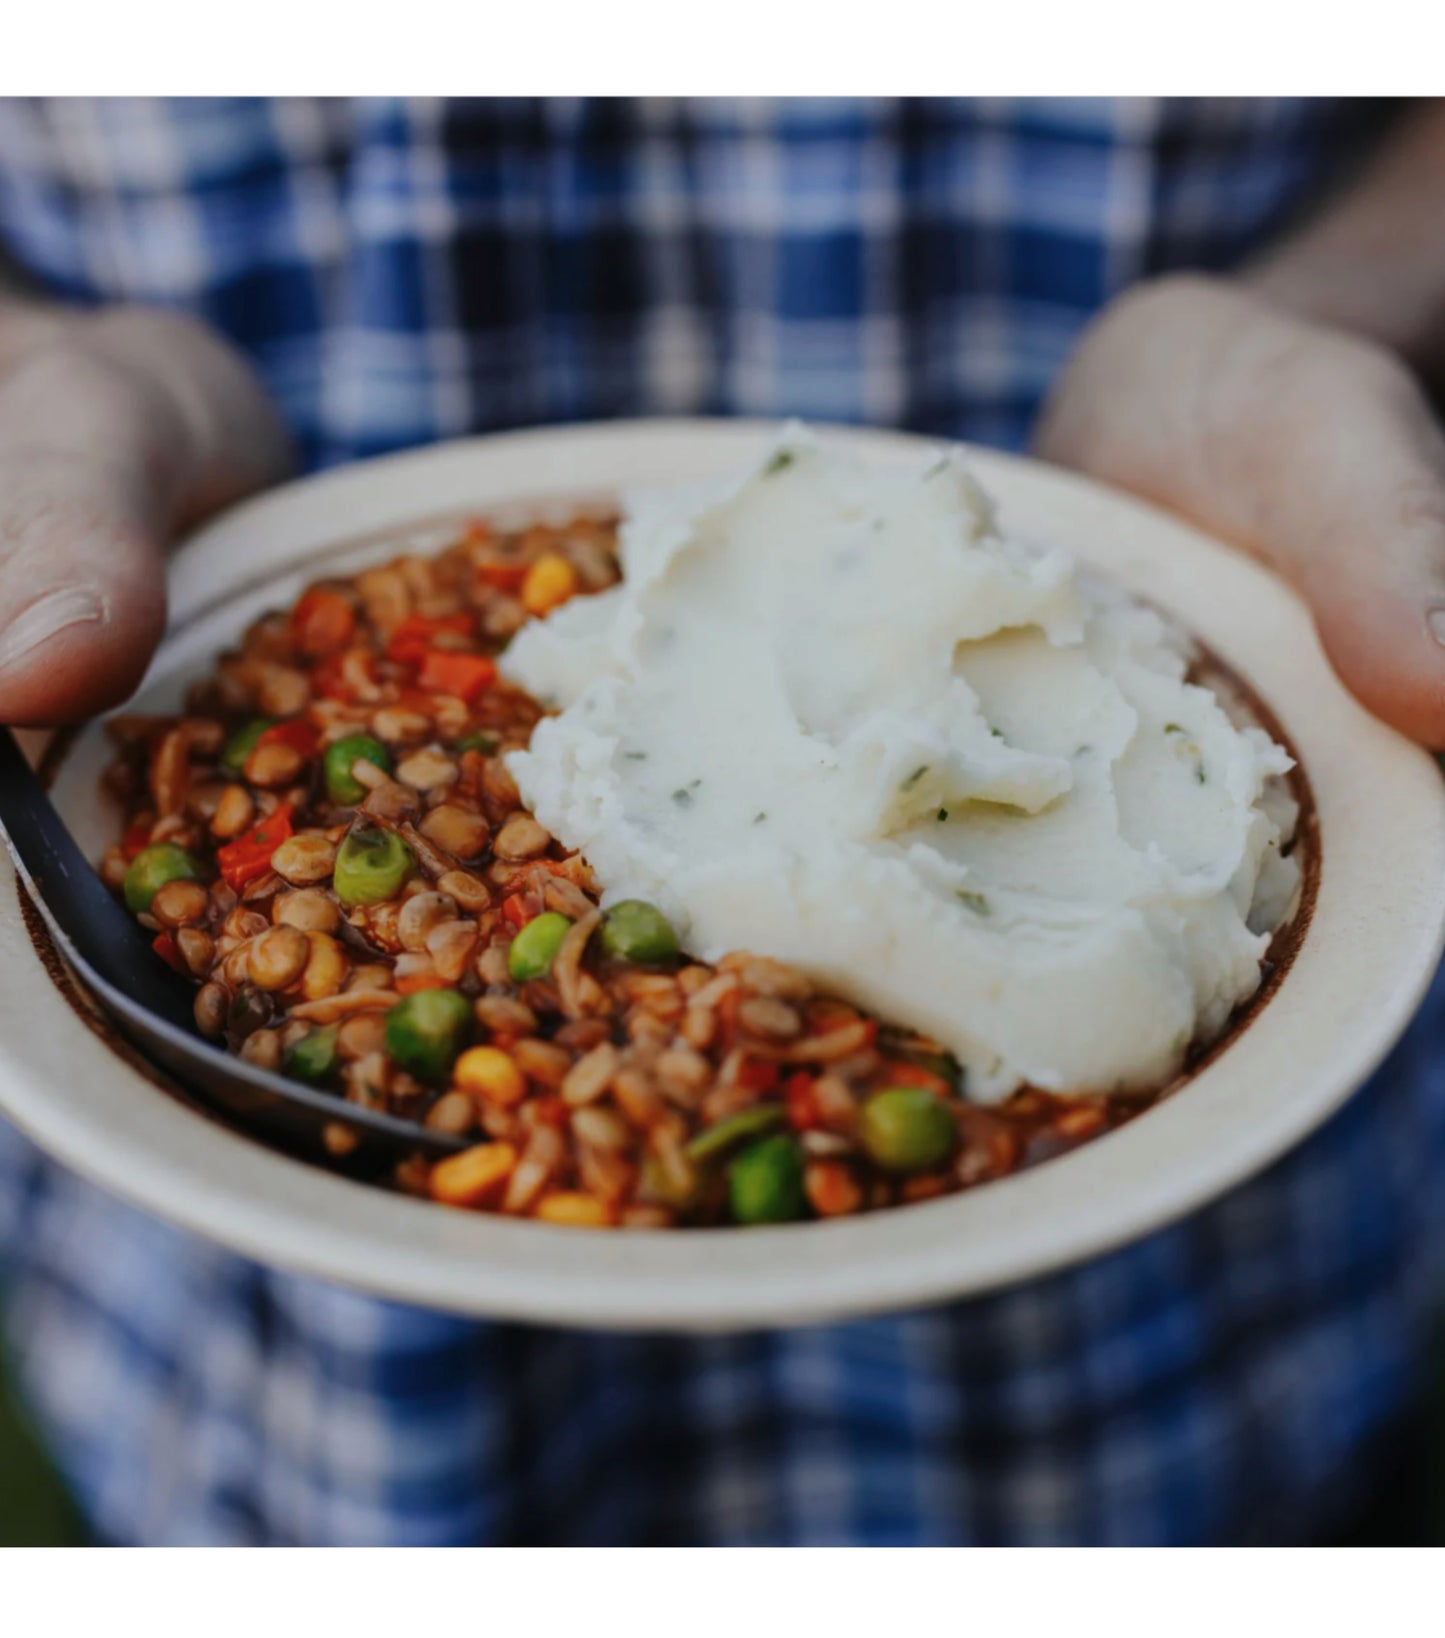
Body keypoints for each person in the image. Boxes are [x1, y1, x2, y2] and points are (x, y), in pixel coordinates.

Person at [1, 96, 1444, 1545]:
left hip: (1173, 1351)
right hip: (274, 1366)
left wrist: (1336, 302)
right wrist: (35, 365)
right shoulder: (354, 832)